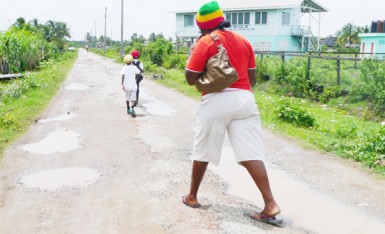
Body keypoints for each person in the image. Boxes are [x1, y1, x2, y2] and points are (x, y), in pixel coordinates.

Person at [182, 1, 281, 223]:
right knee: (251, 152)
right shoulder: (243, 40)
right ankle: (270, 203)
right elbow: (252, 77)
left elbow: (190, 78)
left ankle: (192, 197)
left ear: (202, 26)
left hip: (216, 100)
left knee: (203, 149)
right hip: (245, 100)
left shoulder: (205, 42)